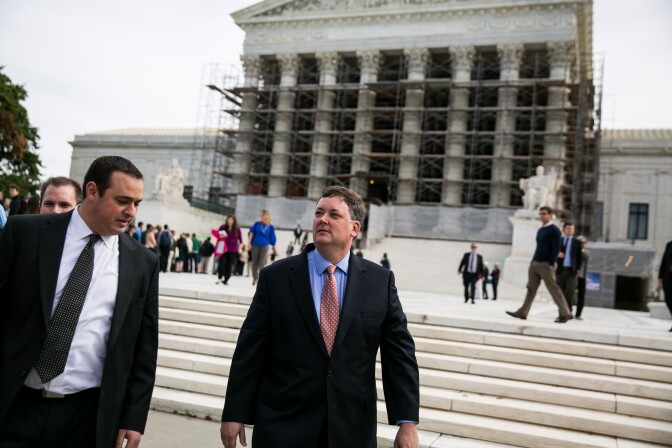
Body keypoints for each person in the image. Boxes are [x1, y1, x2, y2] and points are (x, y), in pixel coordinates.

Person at [220, 186, 419, 448]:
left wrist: (407, 422)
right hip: (283, 425)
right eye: (319, 212)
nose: (323, 219)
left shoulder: (379, 282)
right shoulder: (276, 277)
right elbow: (250, 350)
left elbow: (399, 355)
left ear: (354, 228)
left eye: (334, 214)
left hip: (350, 429)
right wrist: (235, 411)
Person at [0, 156, 159, 448]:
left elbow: (143, 348)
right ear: (93, 191)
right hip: (13, 403)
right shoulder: (25, 233)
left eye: (137, 203)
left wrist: (133, 418)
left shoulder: (143, 263)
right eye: (123, 200)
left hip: (87, 417)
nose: (131, 212)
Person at [506, 206, 573, 323]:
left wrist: (551, 263)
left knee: (553, 289)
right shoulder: (541, 230)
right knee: (531, 288)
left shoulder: (555, 230)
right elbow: (539, 247)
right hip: (535, 263)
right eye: (540, 214)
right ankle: (523, 312)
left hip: (546, 264)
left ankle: (566, 313)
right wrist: (533, 261)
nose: (541, 216)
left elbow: (556, 248)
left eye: (544, 213)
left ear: (550, 215)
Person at [556, 222, 582, 313]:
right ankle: (561, 313)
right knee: (560, 293)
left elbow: (580, 257)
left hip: (571, 271)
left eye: (571, 229)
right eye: (568, 228)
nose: (570, 230)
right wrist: (557, 255)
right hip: (560, 270)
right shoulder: (559, 240)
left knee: (569, 292)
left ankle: (568, 311)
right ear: (564, 229)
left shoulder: (577, 243)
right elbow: (553, 252)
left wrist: (578, 270)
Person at [248, 210, 277, 286]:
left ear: (266, 216)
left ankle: (260, 279)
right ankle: (255, 277)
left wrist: (275, 249)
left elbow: (272, 239)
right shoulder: (257, 224)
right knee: (255, 262)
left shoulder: (270, 227)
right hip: (255, 244)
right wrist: (249, 243)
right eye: (261, 215)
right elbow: (251, 232)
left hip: (265, 245)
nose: (261, 216)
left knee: (261, 262)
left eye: (263, 215)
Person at [218, 216, 243, 285]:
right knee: (222, 263)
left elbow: (240, 240)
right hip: (223, 249)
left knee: (229, 265)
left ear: (234, 221)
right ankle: (220, 277)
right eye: (229, 220)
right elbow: (218, 235)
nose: (230, 221)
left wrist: (240, 248)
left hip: (233, 250)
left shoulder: (237, 229)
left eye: (231, 220)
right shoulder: (223, 227)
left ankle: (226, 279)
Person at [658, 240, 672, 332]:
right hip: (669, 276)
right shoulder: (669, 245)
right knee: (668, 299)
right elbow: (664, 261)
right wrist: (660, 277)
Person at [575, 236, 590, 320]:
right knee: (570, 295)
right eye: (581, 242)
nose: (583, 244)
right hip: (573, 276)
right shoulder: (573, 252)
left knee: (581, 296)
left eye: (584, 242)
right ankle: (567, 311)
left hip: (582, 277)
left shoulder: (586, 253)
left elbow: (584, 257)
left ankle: (578, 314)